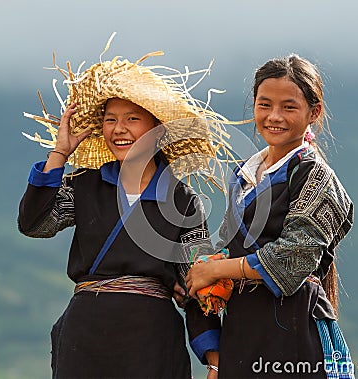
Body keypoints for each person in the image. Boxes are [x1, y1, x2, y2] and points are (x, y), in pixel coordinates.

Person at [18, 38, 230, 378]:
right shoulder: (86, 184)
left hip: (151, 340)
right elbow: (35, 223)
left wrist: (214, 357)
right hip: (84, 337)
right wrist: (60, 154)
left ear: (158, 130)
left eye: (132, 119)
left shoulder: (182, 201)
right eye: (111, 119)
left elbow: (196, 284)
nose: (119, 129)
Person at [186, 54, 355, 378]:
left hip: (294, 334)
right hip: (241, 335)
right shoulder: (243, 177)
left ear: (313, 112)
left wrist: (218, 268)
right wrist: (216, 357)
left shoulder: (316, 177)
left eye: (289, 107)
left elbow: (294, 256)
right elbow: (229, 246)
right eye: (265, 105)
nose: (274, 116)